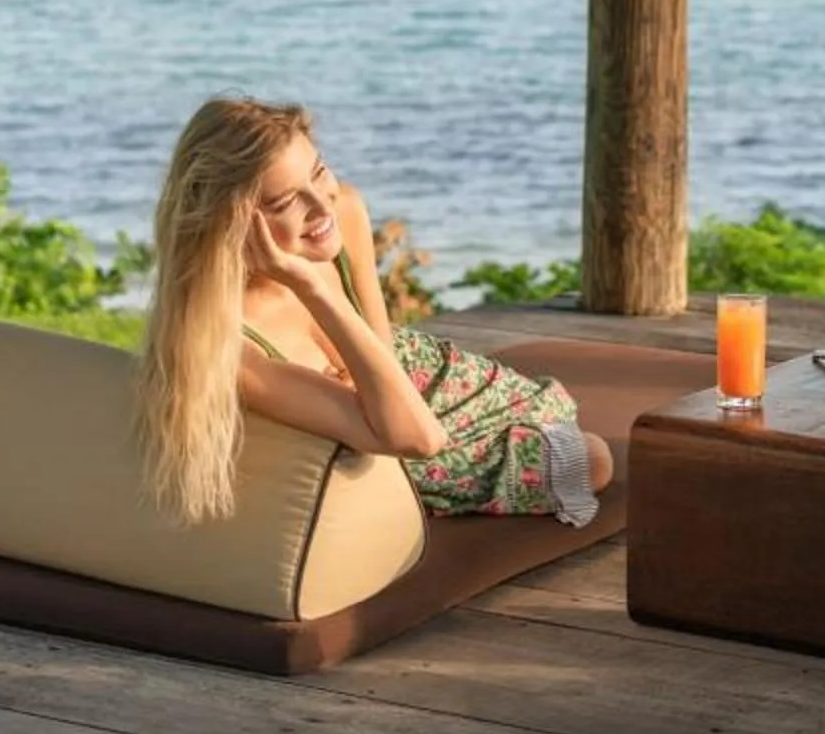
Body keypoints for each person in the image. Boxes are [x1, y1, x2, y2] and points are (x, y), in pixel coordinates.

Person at [131, 95, 612, 529]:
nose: (321, 205)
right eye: (285, 201)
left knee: (555, 414)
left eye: (319, 171)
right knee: (592, 460)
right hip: (399, 437)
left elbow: (383, 352)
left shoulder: (345, 210)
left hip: (416, 378)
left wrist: (356, 369)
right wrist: (311, 287)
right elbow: (418, 439)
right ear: (229, 223)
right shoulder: (229, 348)